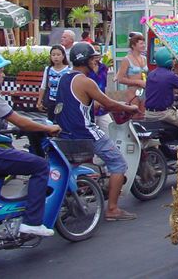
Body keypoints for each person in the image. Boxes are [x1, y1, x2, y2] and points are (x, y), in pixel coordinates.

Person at [0, 51, 61, 237]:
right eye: (2, 71)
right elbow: (19, 121)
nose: (4, 75)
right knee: (40, 165)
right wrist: (47, 129)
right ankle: (32, 222)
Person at [55, 42, 140, 221]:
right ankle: (113, 209)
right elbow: (108, 103)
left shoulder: (64, 78)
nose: (96, 63)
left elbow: (81, 103)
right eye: (93, 60)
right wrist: (128, 108)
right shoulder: (86, 81)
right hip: (86, 134)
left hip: (65, 134)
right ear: (85, 61)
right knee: (118, 164)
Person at [144, 47, 178, 128]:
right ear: (168, 60)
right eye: (173, 58)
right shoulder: (170, 76)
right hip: (164, 114)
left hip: (148, 114)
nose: (174, 61)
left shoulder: (151, 74)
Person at [36, 45, 70, 120]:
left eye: (58, 55)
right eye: (53, 55)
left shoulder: (69, 70)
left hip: (64, 101)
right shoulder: (48, 69)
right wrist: (39, 101)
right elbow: (43, 86)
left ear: (63, 56)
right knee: (51, 121)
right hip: (51, 101)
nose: (56, 57)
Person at [115, 33, 148, 103]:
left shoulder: (144, 58)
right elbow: (120, 79)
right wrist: (137, 82)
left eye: (144, 43)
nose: (144, 46)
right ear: (133, 46)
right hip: (133, 92)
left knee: (144, 113)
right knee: (134, 112)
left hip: (144, 91)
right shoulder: (126, 59)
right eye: (141, 44)